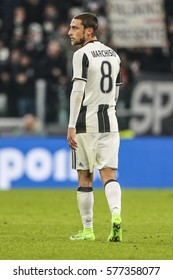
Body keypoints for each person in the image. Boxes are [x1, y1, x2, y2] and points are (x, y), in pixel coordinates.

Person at [67, 12, 122, 242]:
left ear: (89, 31)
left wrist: (71, 125)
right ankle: (116, 216)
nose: (70, 32)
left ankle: (88, 230)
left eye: (75, 28)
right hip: (110, 121)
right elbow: (117, 92)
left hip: (85, 123)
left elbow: (78, 91)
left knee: (85, 176)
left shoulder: (81, 54)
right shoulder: (114, 54)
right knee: (109, 174)